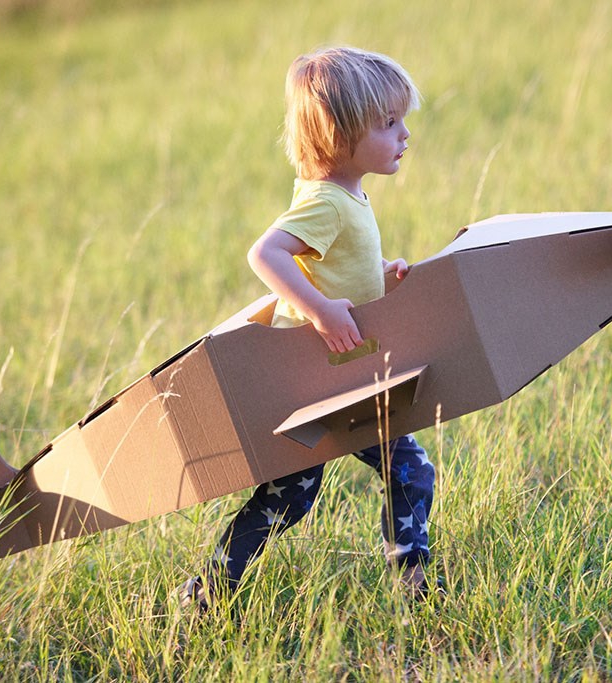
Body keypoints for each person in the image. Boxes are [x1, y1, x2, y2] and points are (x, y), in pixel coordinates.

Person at [179, 46, 437, 610]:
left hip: (338, 375)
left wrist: (380, 275)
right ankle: (414, 591)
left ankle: (206, 592)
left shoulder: (347, 195)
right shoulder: (326, 200)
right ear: (340, 135)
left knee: (314, 491)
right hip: (316, 377)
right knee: (394, 473)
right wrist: (321, 310)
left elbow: (333, 263)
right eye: (388, 123)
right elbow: (265, 254)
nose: (404, 133)